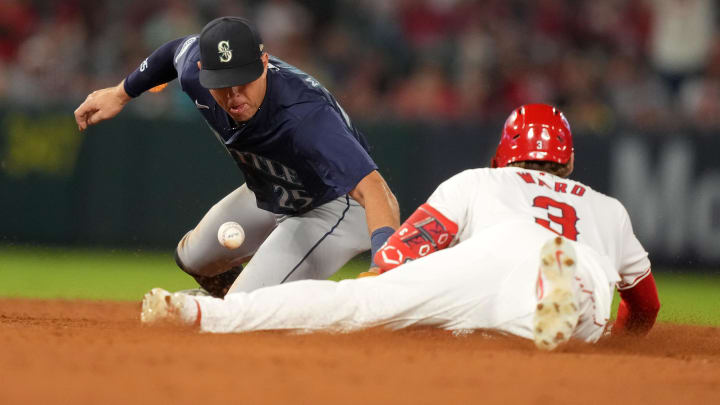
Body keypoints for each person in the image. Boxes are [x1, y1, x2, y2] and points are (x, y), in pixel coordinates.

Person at [140, 104, 660, 351]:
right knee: (574, 320)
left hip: (492, 257)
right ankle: (557, 303)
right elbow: (646, 307)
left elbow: (405, 247)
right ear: (567, 161)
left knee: (360, 305)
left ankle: (196, 311)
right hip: (578, 269)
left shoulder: (480, 180)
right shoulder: (607, 208)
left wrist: (383, 281)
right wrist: (621, 341)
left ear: (507, 153)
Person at [74, 17, 400, 297]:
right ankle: (230, 309)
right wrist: (120, 93)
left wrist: (384, 261)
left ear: (263, 63)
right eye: (222, 84)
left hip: (332, 207)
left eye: (243, 81)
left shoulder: (305, 114)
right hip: (273, 191)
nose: (234, 96)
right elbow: (176, 50)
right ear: (203, 71)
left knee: (245, 310)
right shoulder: (194, 71)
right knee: (193, 259)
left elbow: (375, 189)